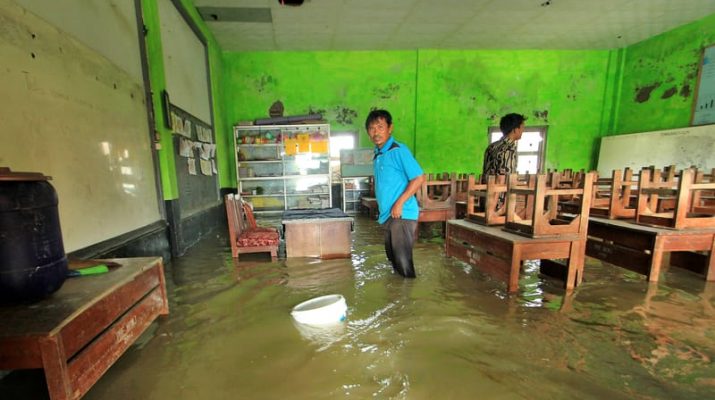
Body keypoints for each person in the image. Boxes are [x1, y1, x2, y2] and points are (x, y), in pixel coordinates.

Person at [365, 109, 425, 278]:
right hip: (389, 216)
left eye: (380, 127)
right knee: (393, 259)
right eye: (371, 128)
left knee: (403, 262)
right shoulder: (378, 155)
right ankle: (398, 297)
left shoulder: (398, 150)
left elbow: (419, 178)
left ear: (390, 128)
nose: (376, 132)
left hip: (402, 215)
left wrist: (399, 203)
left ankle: (407, 300)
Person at [482, 113, 527, 178]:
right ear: (515, 130)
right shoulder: (509, 149)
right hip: (501, 187)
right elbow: (508, 179)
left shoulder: (491, 147)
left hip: (487, 187)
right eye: (522, 128)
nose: (523, 131)